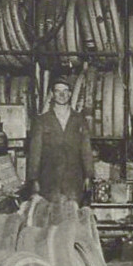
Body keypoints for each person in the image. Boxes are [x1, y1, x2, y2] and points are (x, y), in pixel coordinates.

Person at [27, 76, 93, 204]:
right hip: (49, 181)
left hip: (74, 181)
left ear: (70, 94)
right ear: (52, 94)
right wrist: (34, 180)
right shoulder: (42, 121)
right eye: (58, 91)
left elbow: (86, 150)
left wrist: (88, 176)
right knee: (50, 217)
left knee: (72, 215)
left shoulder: (79, 120)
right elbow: (35, 152)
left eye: (65, 91)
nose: (62, 94)